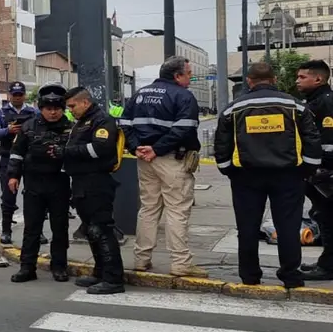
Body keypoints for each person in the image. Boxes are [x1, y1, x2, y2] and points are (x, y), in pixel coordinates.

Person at [214, 61, 322, 288]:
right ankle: (291, 276)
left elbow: (221, 145)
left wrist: (229, 170)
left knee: (247, 228)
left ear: (249, 81)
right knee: (288, 227)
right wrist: (306, 170)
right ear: (274, 80)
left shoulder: (233, 109)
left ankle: (250, 276)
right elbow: (312, 140)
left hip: (246, 177)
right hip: (288, 175)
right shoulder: (296, 106)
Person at [121, 56, 207, 277]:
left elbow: (124, 123)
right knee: (177, 210)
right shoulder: (183, 96)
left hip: (145, 160)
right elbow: (184, 129)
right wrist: (157, 149)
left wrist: (136, 148)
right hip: (171, 159)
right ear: (177, 76)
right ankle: (181, 263)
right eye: (188, 73)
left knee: (148, 208)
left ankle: (141, 259)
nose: (190, 78)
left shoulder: (139, 94)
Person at [6, 83, 73, 283]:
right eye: (48, 108)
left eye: (57, 108)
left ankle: (59, 267)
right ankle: (27, 268)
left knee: (59, 228)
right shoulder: (28, 127)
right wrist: (13, 176)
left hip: (59, 184)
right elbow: (17, 153)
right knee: (32, 229)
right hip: (34, 184)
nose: (53, 112)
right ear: (41, 108)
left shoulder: (71, 128)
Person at [62, 87, 125, 295]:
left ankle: (113, 279)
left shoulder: (102, 120)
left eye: (72, 106)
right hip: (81, 182)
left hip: (97, 182)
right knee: (91, 230)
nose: (70, 110)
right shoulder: (81, 122)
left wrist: (68, 151)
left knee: (102, 229)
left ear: (85, 102)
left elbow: (101, 148)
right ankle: (100, 272)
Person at [0, 81, 39, 244]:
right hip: (8, 159)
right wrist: (7, 130)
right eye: (14, 94)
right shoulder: (0, 114)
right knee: (8, 196)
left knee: (34, 196)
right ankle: (6, 230)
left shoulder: (33, 112)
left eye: (20, 94)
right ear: (9, 95)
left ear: (24, 95)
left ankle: (36, 231)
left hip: (30, 159)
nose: (17, 97)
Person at [296, 60, 333, 280]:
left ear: (318, 79)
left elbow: (327, 143)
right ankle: (326, 262)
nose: (297, 81)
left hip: (326, 174)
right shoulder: (315, 101)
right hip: (319, 173)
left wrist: (319, 167)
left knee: (328, 219)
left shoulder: (326, 103)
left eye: (302, 77)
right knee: (322, 217)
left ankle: (328, 267)